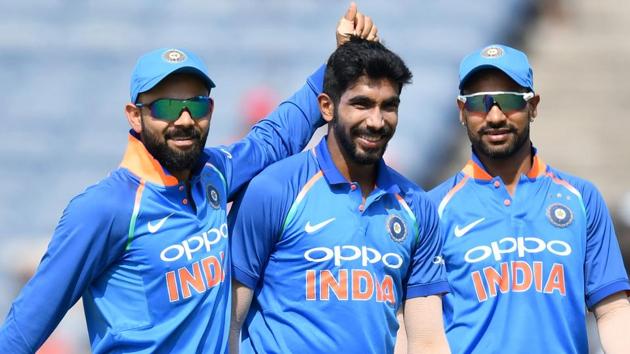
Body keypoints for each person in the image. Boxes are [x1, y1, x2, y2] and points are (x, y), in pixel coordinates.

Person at [0, 5, 378, 352]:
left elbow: (275, 137)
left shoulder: (212, 174)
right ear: (135, 115)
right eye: (166, 106)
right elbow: (23, 329)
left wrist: (337, 66)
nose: (183, 119)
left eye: (195, 104)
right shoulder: (104, 209)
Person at [228, 37, 451, 354]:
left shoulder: (416, 206)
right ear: (327, 107)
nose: (376, 121)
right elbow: (227, 322)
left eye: (389, 106)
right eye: (361, 104)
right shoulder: (273, 190)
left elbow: (426, 339)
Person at [428, 44, 630, 354]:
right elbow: (422, 331)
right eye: (479, 103)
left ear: (533, 106)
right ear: (461, 111)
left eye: (509, 101)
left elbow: (613, 309)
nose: (494, 116)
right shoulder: (433, 209)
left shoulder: (582, 198)